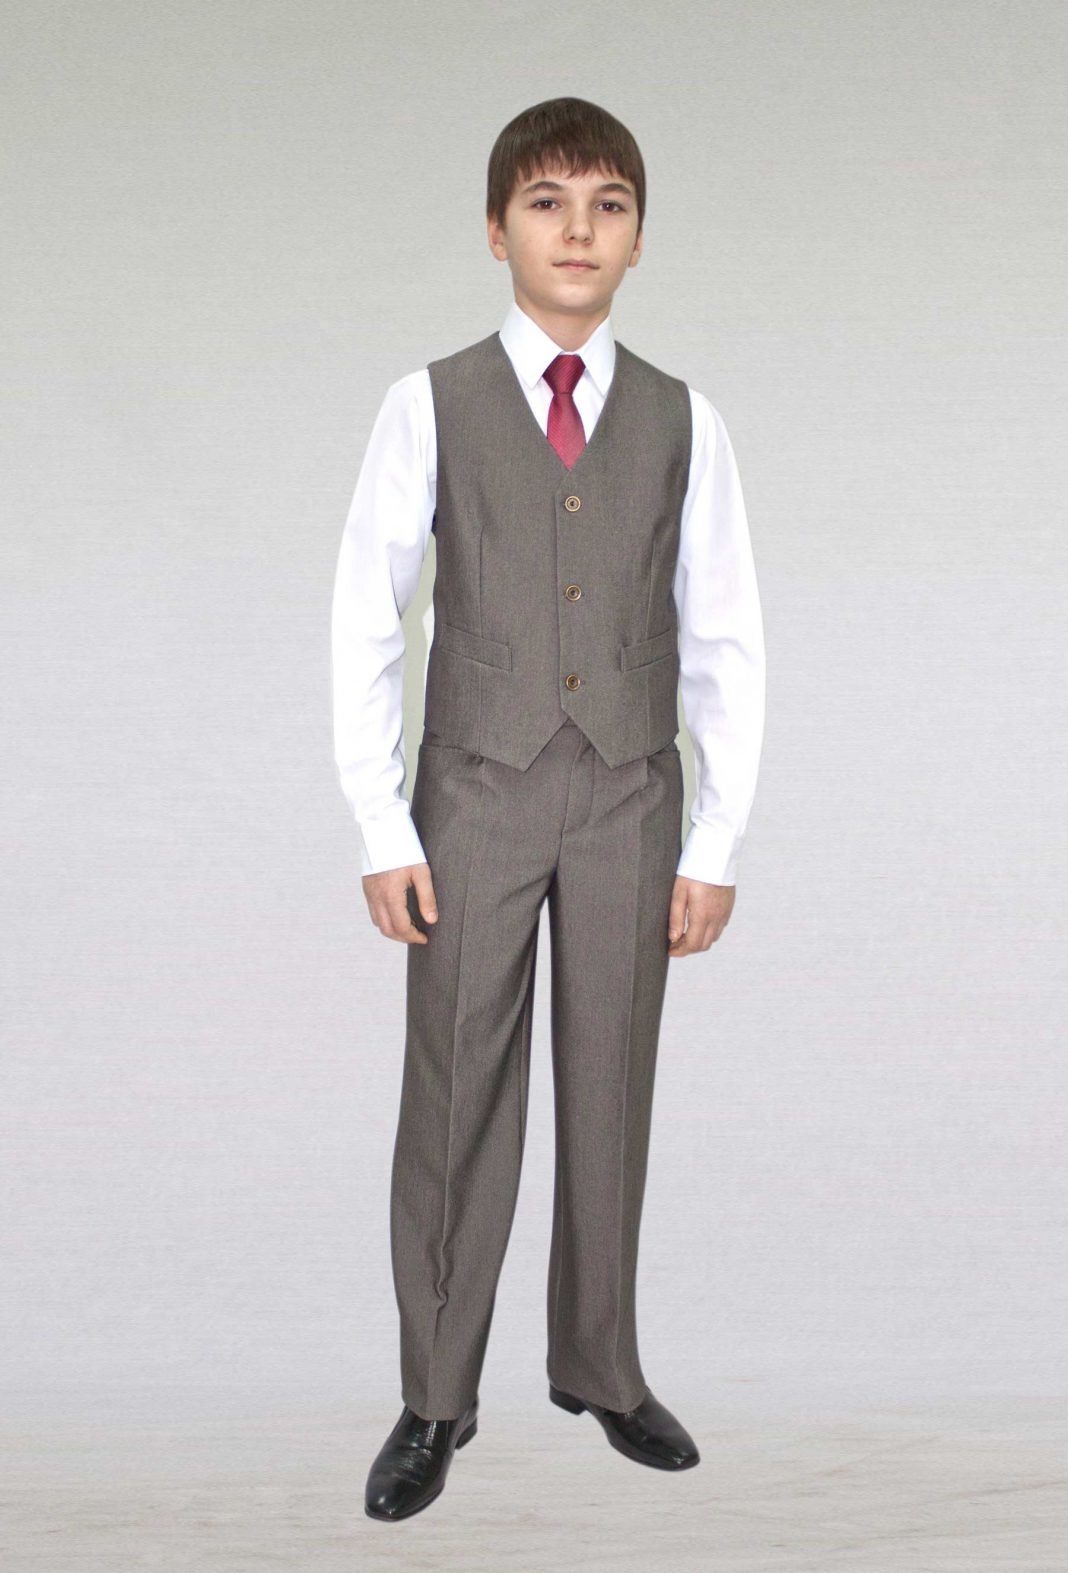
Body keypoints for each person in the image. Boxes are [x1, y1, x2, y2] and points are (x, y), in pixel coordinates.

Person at [331, 96, 766, 1522]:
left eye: (607, 205)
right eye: (546, 202)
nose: (577, 230)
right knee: (456, 1093)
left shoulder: (684, 419)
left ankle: (600, 1364)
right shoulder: (429, 403)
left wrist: (716, 838)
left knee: (612, 1083)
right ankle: (435, 1396)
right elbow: (367, 615)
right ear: (495, 229)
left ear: (639, 237)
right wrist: (381, 822)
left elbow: (725, 634)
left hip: (632, 792)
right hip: (475, 793)